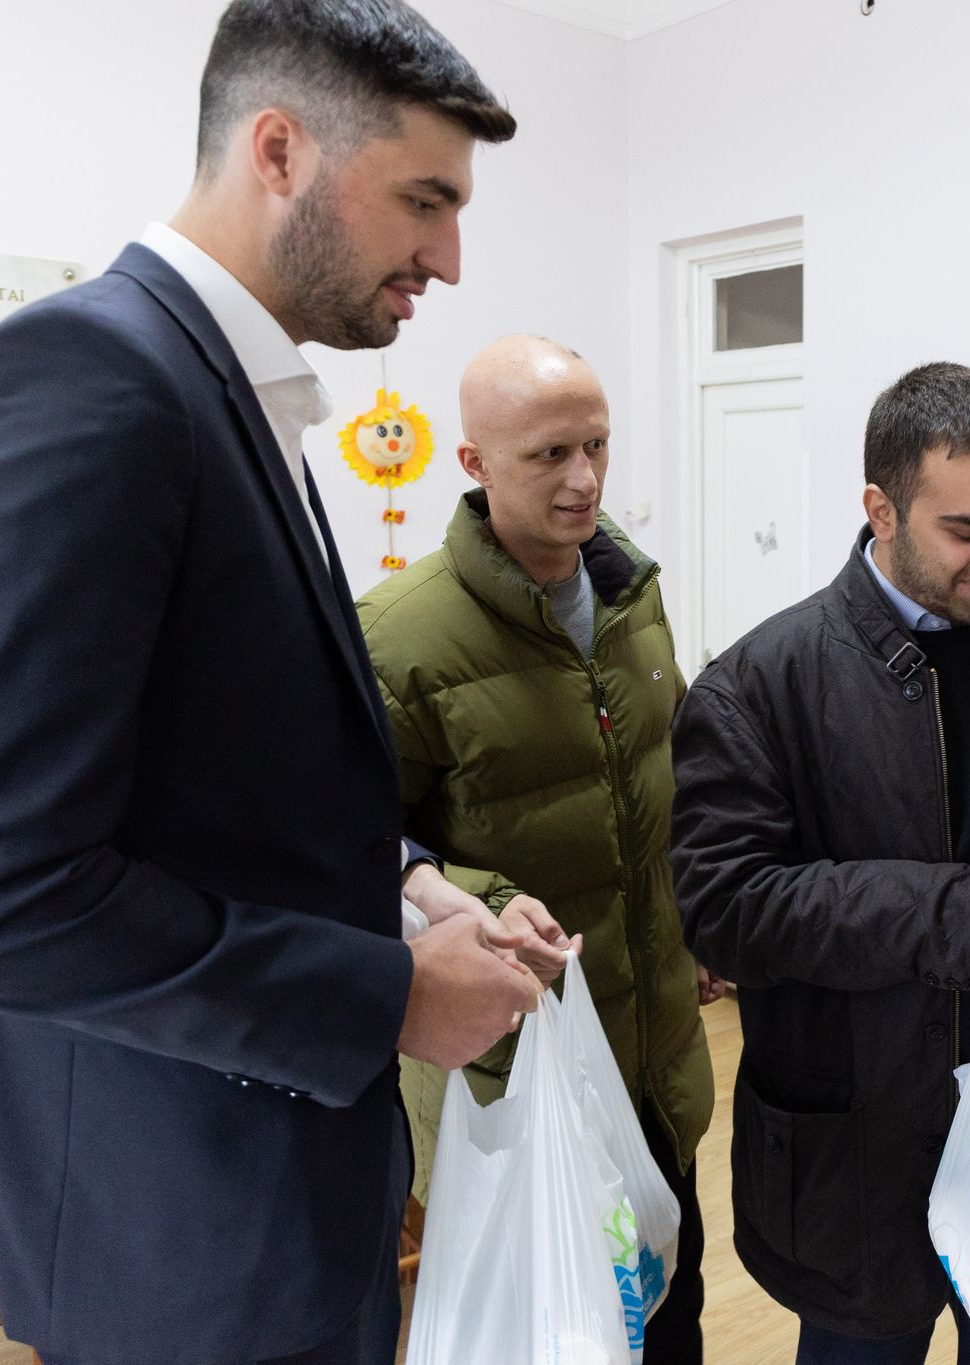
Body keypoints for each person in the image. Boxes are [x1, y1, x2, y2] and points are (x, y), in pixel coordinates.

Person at [0, 4, 541, 1362]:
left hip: (278, 1212)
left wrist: (403, 882)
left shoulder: (226, 392)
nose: (448, 257)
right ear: (278, 149)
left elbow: (216, 770)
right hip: (181, 1246)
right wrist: (383, 996)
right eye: (424, 201)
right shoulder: (89, 381)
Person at [670, 362, 970, 1363]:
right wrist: (963, 921)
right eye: (967, 531)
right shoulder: (757, 684)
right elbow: (727, 909)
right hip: (864, 1140)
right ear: (879, 507)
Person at [356, 334, 718, 1363]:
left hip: (654, 1068)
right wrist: (469, 892)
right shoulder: (396, 638)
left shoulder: (630, 596)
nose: (585, 479)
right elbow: (345, 850)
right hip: (510, 1082)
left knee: (664, 1318)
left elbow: (666, 780)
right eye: (548, 455)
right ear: (470, 465)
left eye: (596, 446)